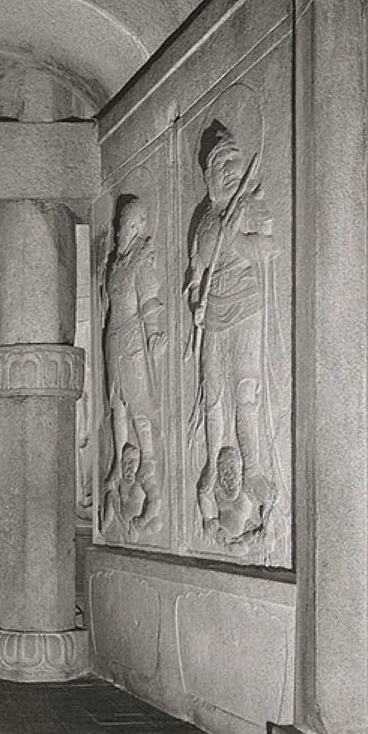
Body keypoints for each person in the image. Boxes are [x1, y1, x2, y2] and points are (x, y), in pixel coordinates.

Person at [186, 123, 288, 541]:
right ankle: (212, 464)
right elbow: (197, 271)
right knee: (212, 395)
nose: (229, 170)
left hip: (246, 304)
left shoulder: (249, 205)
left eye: (234, 162)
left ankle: (254, 467)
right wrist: (195, 297)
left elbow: (267, 247)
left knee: (245, 391)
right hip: (214, 311)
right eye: (220, 164)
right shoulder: (204, 220)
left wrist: (241, 241)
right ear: (209, 177)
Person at [101, 194, 167, 502]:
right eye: (118, 226)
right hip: (113, 338)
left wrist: (153, 336)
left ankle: (149, 460)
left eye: (124, 226)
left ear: (137, 228)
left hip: (132, 337)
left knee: (138, 402)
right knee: (117, 403)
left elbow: (149, 301)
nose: (118, 232)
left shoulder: (142, 260)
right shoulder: (115, 265)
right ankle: (118, 460)